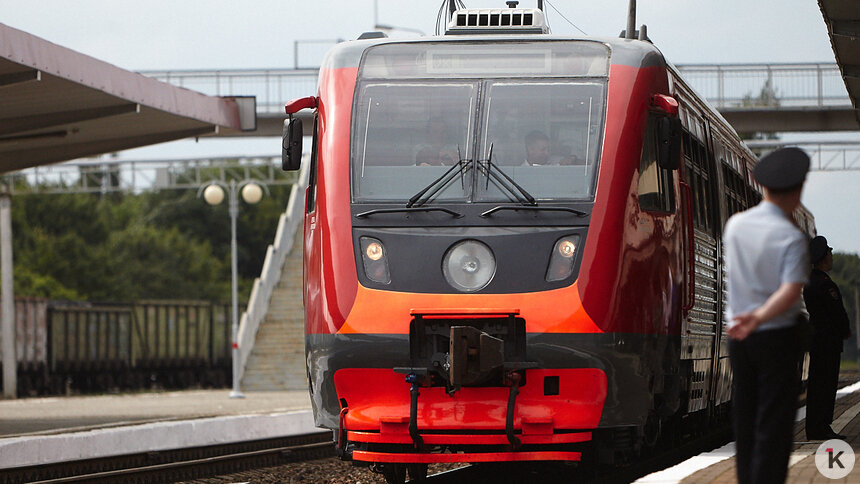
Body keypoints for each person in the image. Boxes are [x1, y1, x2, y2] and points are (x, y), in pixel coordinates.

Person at [723, 147, 811, 484]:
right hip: (776, 337)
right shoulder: (791, 237)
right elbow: (790, 291)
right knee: (773, 423)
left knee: (744, 419)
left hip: (738, 338)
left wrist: (747, 319)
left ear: (763, 188)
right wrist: (759, 318)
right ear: (798, 190)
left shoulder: (735, 226)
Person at [803, 235, 851, 440]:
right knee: (825, 385)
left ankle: (815, 426)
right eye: (830, 252)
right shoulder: (824, 284)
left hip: (818, 341)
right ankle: (821, 426)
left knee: (817, 385)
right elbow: (837, 313)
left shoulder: (810, 282)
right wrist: (845, 330)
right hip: (828, 342)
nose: (832, 256)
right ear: (824, 257)